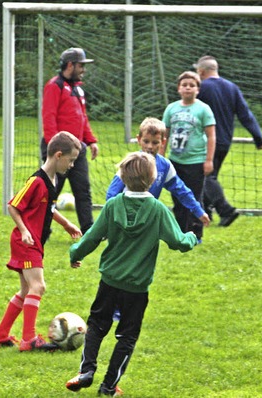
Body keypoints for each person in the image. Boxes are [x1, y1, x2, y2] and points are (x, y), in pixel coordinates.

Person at [65, 151, 198, 396]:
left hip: (110, 282)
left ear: (122, 178)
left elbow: (93, 237)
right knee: (126, 337)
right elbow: (179, 242)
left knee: (96, 325)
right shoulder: (158, 210)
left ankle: (86, 370)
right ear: (153, 178)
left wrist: (76, 254)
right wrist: (191, 237)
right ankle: (108, 387)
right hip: (136, 288)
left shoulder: (113, 205)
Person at [0, 131, 83, 351]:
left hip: (34, 242)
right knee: (38, 286)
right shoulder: (36, 181)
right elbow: (13, 206)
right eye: (71, 160)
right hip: (26, 242)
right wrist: (23, 230)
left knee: (26, 291)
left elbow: (48, 208)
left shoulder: (53, 180)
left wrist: (65, 223)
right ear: (58, 155)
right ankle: (29, 339)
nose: (71, 165)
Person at [195, 55, 262, 227]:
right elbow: (245, 114)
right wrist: (258, 137)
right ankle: (206, 213)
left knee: (205, 176)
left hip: (206, 139)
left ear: (201, 71)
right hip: (225, 141)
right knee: (209, 176)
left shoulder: (201, 87)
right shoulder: (232, 87)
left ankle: (226, 210)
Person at [107, 117, 210, 230]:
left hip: (148, 217)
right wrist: (110, 217)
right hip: (124, 217)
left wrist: (198, 210)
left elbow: (181, 190)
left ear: (163, 142)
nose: (150, 146)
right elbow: (113, 192)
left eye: (155, 142)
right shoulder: (131, 163)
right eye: (146, 141)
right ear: (139, 139)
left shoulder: (164, 166)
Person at [41, 47, 99, 234]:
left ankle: (88, 229)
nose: (83, 69)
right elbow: (48, 117)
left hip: (77, 149)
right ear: (70, 65)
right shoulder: (54, 86)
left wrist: (90, 141)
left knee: (83, 190)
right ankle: (41, 228)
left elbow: (82, 116)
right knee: (50, 192)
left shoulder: (77, 88)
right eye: (81, 65)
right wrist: (54, 148)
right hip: (59, 150)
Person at [161, 71, 216, 240]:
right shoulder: (171, 108)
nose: (188, 88)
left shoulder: (203, 109)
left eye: (192, 85)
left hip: (196, 161)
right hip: (175, 160)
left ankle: (195, 233)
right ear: (178, 88)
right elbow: (164, 135)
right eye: (184, 85)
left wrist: (208, 160)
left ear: (197, 89)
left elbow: (211, 135)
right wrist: (161, 159)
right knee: (178, 197)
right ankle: (180, 232)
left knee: (193, 197)